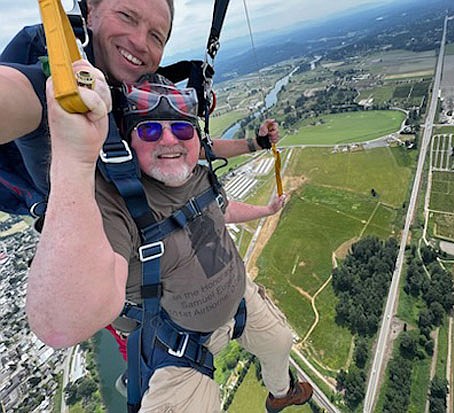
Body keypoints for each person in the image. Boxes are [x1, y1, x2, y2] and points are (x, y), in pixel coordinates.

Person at [26, 61, 312, 412]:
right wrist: (74, 161)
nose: (169, 140)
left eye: (180, 128)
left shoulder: (198, 176)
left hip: (239, 301)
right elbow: (60, 323)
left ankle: (281, 394)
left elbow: (220, 212)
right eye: (149, 131)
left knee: (279, 342)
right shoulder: (114, 204)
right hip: (175, 347)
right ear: (128, 138)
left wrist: (265, 210)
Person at [0, 0, 275, 201]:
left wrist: (256, 143)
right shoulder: (54, 84)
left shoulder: (142, 97)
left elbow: (181, 146)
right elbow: (12, 95)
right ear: (90, 12)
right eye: (127, 16)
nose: (141, 42)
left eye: (156, 36)